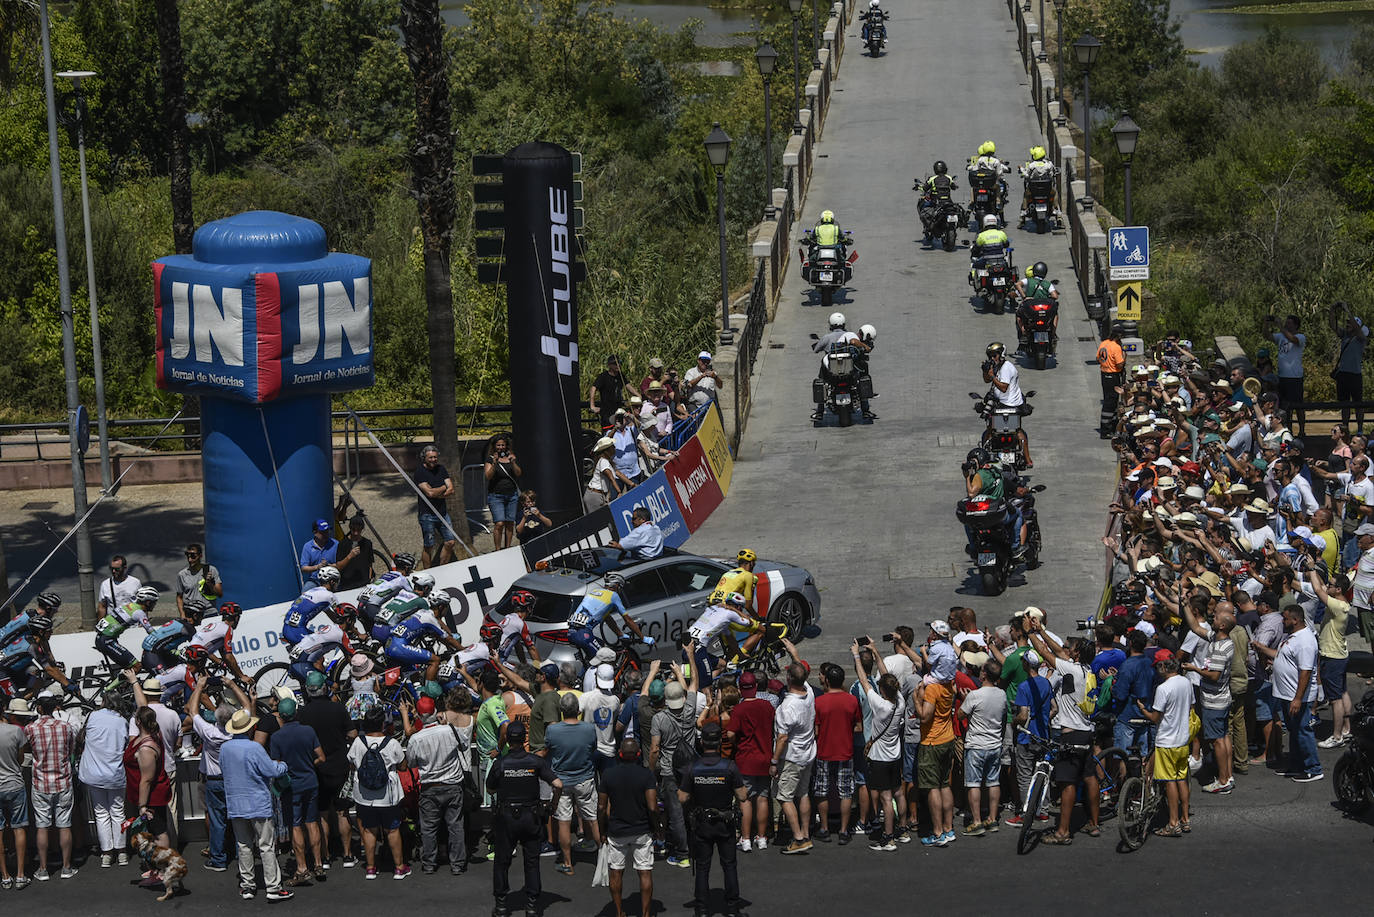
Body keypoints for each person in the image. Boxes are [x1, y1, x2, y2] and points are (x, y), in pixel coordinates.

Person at [487, 720, 563, 917]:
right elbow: (558, 784)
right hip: (531, 816)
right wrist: (552, 806)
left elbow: (490, 788)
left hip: (507, 818)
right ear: (524, 739)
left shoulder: (500, 764)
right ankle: (531, 905)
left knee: (502, 861)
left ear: (508, 740)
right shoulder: (535, 762)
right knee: (532, 861)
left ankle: (502, 905)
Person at [220, 707, 294, 901]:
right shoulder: (255, 748)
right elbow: (271, 770)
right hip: (258, 803)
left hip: (236, 804)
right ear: (249, 729)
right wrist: (284, 765)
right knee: (266, 846)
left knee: (244, 846)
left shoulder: (225, 748)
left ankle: (247, 886)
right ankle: (273, 887)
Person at [679, 723, 748, 917]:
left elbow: (682, 798)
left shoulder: (693, 767)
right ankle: (733, 908)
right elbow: (743, 796)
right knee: (729, 865)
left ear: (702, 743)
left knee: (702, 867)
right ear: (719, 743)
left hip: (702, 823)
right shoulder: (729, 767)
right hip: (724, 823)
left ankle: (701, 909)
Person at [296, 670, 358, 869]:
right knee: (342, 812)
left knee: (321, 814)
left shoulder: (303, 714)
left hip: (317, 769)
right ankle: (348, 855)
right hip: (340, 766)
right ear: (324, 689)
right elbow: (352, 734)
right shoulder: (338, 709)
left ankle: (326, 856)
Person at [1253, 604, 1321, 782]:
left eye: (1285, 618)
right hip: (1287, 694)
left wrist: (1298, 699)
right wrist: (1261, 648)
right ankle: (1297, 765)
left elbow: (1305, 671)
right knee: (1295, 731)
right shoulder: (1293, 637)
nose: (1282, 621)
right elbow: (1281, 655)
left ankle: (1313, 768)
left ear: (1295, 620)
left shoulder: (1305, 641)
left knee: (1302, 731)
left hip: (1298, 697)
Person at [405, 693, 471, 875]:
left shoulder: (416, 739)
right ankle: (457, 864)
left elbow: (411, 763)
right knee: (455, 825)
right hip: (452, 784)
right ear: (435, 712)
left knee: (428, 828)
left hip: (429, 787)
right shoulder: (449, 730)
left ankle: (429, 864)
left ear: (418, 716)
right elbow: (464, 745)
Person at [1134, 650, 1194, 836]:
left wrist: (1142, 709)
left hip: (1167, 742)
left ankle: (1173, 823)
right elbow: (1191, 707)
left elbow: (1155, 717)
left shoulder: (1164, 688)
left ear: (1162, 666)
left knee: (1169, 782)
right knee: (1181, 779)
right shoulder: (1186, 682)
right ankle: (1185, 819)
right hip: (1183, 740)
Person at [347, 705, 410, 880]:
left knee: (368, 830)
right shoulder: (392, 743)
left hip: (364, 795)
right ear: (383, 723)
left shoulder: (358, 743)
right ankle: (399, 867)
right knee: (392, 829)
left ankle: (370, 867)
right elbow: (403, 766)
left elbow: (352, 764)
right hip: (388, 795)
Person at [598, 736, 658, 917]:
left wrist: (602, 831)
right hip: (642, 830)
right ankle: (646, 914)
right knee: (645, 872)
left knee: (616, 872)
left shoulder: (609, 775)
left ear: (620, 754)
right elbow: (653, 807)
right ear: (639, 754)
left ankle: (618, 912)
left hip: (617, 831)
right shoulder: (646, 774)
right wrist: (657, 828)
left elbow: (601, 807)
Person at [270, 696, 327, 885]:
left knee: (295, 826)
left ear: (281, 716)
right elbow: (321, 757)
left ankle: (302, 867)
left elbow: (277, 766)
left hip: (291, 787)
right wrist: (309, 765)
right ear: (296, 713)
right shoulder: (308, 731)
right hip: (310, 782)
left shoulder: (277, 737)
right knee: (312, 822)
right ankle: (318, 863)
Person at [544, 693, 601, 875]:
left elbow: (548, 749)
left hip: (561, 781)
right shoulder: (589, 729)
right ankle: (604, 859)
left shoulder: (553, 731)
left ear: (561, 711)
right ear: (578, 711)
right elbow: (593, 748)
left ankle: (568, 863)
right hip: (584, 778)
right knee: (593, 819)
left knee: (564, 822)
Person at [649, 661, 699, 867]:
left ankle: (682, 854)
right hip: (690, 767)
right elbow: (694, 683)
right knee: (692, 809)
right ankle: (697, 846)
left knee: (676, 813)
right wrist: (680, 671)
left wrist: (652, 772)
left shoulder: (659, 718)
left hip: (670, 771)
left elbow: (654, 749)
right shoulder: (690, 710)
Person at [185, 676, 236, 874]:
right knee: (237, 819)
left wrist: (198, 687)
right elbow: (248, 707)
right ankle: (241, 853)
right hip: (232, 780)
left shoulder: (209, 732)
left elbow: (192, 710)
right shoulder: (238, 731)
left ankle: (218, 858)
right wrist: (231, 685)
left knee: (216, 820)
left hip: (212, 780)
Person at [79, 693, 131, 868]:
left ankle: (107, 853)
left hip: (94, 774)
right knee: (118, 813)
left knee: (101, 814)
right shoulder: (123, 721)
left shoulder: (93, 715)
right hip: (115, 774)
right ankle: (122, 851)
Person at [811, 662, 860, 843]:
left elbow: (816, 730)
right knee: (846, 792)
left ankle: (824, 827)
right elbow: (858, 726)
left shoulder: (819, 702)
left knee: (822, 790)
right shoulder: (851, 700)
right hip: (845, 750)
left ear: (828, 681)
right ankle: (844, 830)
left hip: (824, 750)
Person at [771, 662, 817, 854]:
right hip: (808, 753)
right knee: (803, 793)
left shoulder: (786, 707)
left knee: (784, 797)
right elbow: (801, 673)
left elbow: (782, 738)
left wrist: (774, 761)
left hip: (791, 757)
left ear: (788, 679)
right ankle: (805, 833)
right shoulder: (809, 693)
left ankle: (798, 838)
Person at [124, 705, 175, 872]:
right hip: (144, 795)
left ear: (138, 722)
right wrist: (133, 680)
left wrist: (142, 806)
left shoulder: (146, 747)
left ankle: (162, 868)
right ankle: (154, 866)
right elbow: (143, 707)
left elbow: (146, 779)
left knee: (158, 832)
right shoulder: (148, 735)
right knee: (150, 832)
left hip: (152, 797)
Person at [960, 659, 1006, 835]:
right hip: (994, 744)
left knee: (974, 784)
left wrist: (966, 699)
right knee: (993, 782)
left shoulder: (974, 695)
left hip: (976, 745)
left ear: (985, 674)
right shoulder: (1001, 694)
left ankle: (977, 821)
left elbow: (961, 714)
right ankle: (993, 819)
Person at [729, 671, 774, 851]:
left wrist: (738, 743)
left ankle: (746, 838)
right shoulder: (768, 706)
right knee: (763, 798)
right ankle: (761, 837)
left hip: (745, 759)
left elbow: (731, 734)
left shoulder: (739, 709)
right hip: (765, 758)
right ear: (755, 687)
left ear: (740, 689)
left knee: (745, 800)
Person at [0, 698, 33, 889]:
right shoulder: (15, 731)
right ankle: (20, 874)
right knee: (19, 827)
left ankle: (5, 876)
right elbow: (20, 758)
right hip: (14, 783)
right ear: (3, 709)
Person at [983, 341, 1033, 466]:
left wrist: (993, 377)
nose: (992, 358)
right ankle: (1028, 460)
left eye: (994, 355)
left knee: (997, 430)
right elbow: (986, 380)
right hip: (1005, 404)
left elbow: (1003, 387)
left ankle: (1027, 459)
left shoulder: (1006, 368)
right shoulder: (997, 366)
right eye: (990, 356)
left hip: (1010, 405)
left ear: (1001, 354)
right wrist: (986, 371)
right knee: (1016, 430)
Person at [93, 586, 156, 671]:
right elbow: (151, 631)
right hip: (107, 641)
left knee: (129, 667)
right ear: (148, 602)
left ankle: (124, 683)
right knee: (137, 667)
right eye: (154, 602)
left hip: (102, 638)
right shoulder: (139, 613)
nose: (155, 605)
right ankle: (118, 684)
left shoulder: (129, 605)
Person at [414, 444, 457, 568]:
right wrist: (444, 487)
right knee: (429, 545)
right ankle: (428, 571)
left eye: (435, 457)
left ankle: (443, 567)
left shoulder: (441, 469)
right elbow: (430, 493)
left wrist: (438, 494)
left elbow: (452, 489)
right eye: (430, 458)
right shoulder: (420, 472)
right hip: (427, 514)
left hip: (442, 513)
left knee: (450, 542)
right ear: (424, 458)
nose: (433, 460)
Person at [485, 433, 523, 551]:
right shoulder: (490, 459)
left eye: (503, 445)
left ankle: (507, 548)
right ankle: (497, 549)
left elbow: (518, 473)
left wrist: (513, 462)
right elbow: (488, 476)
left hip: (512, 495)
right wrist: (495, 463)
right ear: (494, 446)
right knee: (499, 523)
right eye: (498, 445)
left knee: (509, 523)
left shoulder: (511, 457)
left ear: (506, 446)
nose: (501, 447)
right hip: (496, 496)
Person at [1264, 313, 1307, 410]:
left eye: (1289, 323)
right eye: (1286, 323)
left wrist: (1280, 326)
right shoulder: (1281, 336)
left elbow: (1292, 339)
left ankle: (1301, 425)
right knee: (1284, 405)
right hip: (1282, 376)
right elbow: (1267, 336)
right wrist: (1266, 324)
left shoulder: (1301, 337)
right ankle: (1287, 424)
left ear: (1296, 325)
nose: (1286, 325)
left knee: (1298, 405)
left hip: (1294, 377)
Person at [1333, 305, 1368, 418]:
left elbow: (1358, 329)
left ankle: (1360, 430)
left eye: (1350, 323)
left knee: (1358, 404)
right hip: (1343, 374)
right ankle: (1344, 428)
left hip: (1355, 375)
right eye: (1347, 323)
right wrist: (1332, 311)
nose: (1348, 324)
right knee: (1344, 404)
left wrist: (1347, 310)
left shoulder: (1361, 338)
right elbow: (1333, 326)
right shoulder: (1345, 336)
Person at [1014, 261, 1058, 349]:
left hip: (1031, 308)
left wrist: (1024, 296)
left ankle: (1023, 332)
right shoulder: (1047, 284)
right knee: (1055, 314)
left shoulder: (1028, 281)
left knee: (1018, 315)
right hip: (1044, 309)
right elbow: (1055, 296)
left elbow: (1017, 284)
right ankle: (1053, 334)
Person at [590, 355, 636, 431]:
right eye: (615, 363)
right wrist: (592, 406)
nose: (618, 365)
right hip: (607, 411)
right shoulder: (603, 376)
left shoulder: (621, 376)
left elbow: (629, 387)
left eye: (619, 363)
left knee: (621, 430)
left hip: (619, 410)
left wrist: (639, 396)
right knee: (609, 432)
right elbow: (593, 388)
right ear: (609, 365)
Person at [175, 542, 222, 615]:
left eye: (193, 556)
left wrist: (209, 583)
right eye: (188, 555)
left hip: (209, 612)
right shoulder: (182, 574)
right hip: (191, 614)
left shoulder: (211, 570)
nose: (190, 559)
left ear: (200, 556)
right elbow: (179, 597)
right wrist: (182, 614)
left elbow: (220, 594)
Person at [916, 160, 957, 240]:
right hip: (948, 202)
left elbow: (925, 188)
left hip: (936, 203)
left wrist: (918, 187)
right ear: (945, 169)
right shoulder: (949, 178)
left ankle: (931, 228)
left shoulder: (932, 179)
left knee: (924, 212)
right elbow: (954, 187)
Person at [1097, 326, 1126, 438]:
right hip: (1113, 375)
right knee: (1110, 402)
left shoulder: (1103, 343)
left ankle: (1111, 426)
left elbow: (1098, 358)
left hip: (1104, 374)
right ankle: (1106, 430)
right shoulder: (1116, 347)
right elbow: (1119, 364)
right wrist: (1123, 357)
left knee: (1109, 401)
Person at [1017, 145, 1056, 224]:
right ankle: (1056, 211)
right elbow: (1051, 175)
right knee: (1055, 193)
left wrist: (1021, 169)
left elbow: (1027, 175)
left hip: (1033, 190)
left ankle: (1023, 213)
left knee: (1025, 195)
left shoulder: (1031, 165)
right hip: (1046, 190)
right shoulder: (1048, 164)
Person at [336, 515, 374, 591]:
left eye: (359, 530)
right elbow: (339, 566)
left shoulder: (367, 543)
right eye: (353, 529)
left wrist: (369, 580)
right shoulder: (343, 544)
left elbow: (370, 564)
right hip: (347, 585)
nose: (356, 533)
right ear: (350, 528)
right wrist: (349, 556)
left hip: (363, 583)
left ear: (362, 529)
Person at [969, 214, 1011, 284]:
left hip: (987, 261)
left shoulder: (981, 235)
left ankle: (974, 280)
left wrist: (974, 253)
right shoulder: (1001, 233)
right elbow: (1006, 245)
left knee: (974, 265)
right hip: (1001, 261)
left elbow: (976, 249)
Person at [299, 518, 340, 583]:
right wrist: (317, 567)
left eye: (327, 531)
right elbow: (304, 568)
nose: (326, 534)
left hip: (333, 579)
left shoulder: (335, 544)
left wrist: (329, 566)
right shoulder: (308, 546)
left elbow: (341, 564)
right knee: (305, 592)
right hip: (315, 579)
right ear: (314, 532)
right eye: (322, 532)